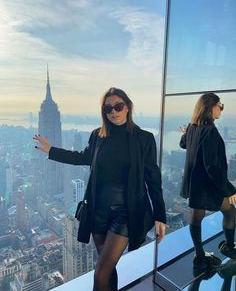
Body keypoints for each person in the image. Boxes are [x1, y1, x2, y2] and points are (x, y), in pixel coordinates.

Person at [34, 87, 166, 291]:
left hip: (126, 213)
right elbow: (82, 157)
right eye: (108, 108)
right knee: (108, 267)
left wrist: (160, 216)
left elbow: (153, 179)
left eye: (118, 106)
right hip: (98, 211)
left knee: (100, 272)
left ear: (128, 107)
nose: (113, 111)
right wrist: (52, 150)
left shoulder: (144, 139)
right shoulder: (98, 135)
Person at [180, 92, 236, 275]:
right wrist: (228, 189)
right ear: (210, 107)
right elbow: (212, 166)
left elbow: (184, 144)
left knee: (196, 219)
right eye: (220, 105)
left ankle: (200, 257)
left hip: (196, 184)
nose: (221, 109)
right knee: (231, 213)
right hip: (209, 186)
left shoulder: (193, 127)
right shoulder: (210, 131)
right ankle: (228, 246)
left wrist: (186, 133)